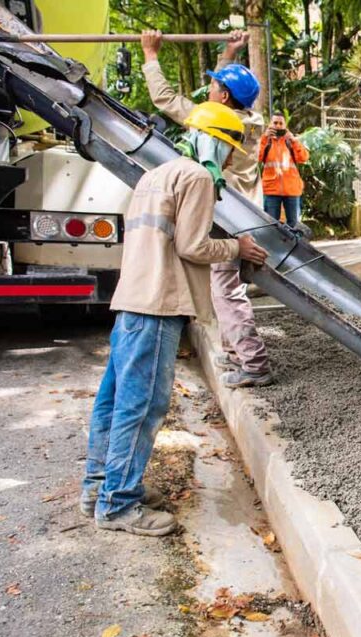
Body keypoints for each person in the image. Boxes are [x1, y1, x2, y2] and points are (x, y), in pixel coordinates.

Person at [81, 102, 269, 536]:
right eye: (228, 148)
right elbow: (192, 246)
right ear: (220, 145)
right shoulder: (199, 177)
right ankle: (118, 504)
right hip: (159, 304)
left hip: (131, 299)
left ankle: (99, 487)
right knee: (142, 406)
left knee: (112, 403)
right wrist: (236, 248)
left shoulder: (156, 174)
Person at [141, 29, 274, 388]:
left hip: (227, 220)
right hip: (242, 215)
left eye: (215, 87)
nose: (210, 90)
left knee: (226, 290)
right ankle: (236, 355)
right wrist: (229, 52)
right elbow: (220, 96)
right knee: (225, 287)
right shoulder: (247, 120)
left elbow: (165, 99)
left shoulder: (215, 122)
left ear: (224, 97)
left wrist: (151, 56)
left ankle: (254, 363)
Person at [259, 111, 309, 228]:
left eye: (281, 123)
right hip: (271, 190)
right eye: (275, 123)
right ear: (270, 125)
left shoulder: (290, 142)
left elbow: (304, 158)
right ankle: (272, 246)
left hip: (291, 190)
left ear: (285, 126)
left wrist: (294, 140)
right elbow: (256, 157)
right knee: (271, 226)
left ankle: (294, 246)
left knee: (293, 225)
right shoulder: (266, 142)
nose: (278, 126)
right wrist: (264, 138)